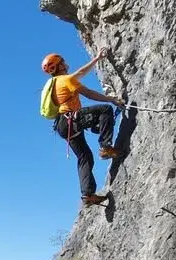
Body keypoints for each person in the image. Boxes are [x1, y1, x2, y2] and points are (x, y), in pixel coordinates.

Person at [42, 51, 126, 206]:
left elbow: (80, 73)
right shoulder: (66, 80)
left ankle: (88, 195)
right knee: (105, 110)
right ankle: (106, 147)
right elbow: (88, 93)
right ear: (59, 66)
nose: (66, 62)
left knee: (85, 156)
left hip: (63, 125)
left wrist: (96, 59)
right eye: (63, 61)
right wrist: (111, 99)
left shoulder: (57, 82)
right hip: (71, 119)